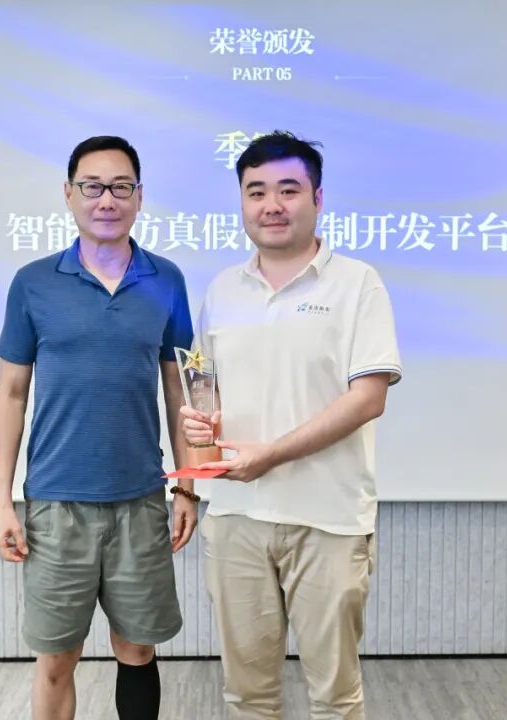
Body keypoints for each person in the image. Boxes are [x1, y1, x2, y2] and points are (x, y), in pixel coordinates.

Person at [181, 131, 402, 719]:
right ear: (242, 201)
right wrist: (199, 424)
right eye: (256, 192)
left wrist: (272, 454)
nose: (271, 205)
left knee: (335, 696)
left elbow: (368, 398)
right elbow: (206, 388)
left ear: (318, 198)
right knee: (247, 696)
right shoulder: (222, 290)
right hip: (236, 518)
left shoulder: (357, 283)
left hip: (328, 518)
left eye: (288, 190)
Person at [0, 135, 199, 720]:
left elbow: (180, 389)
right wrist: (1, 502)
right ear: (69, 194)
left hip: (141, 500)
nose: (107, 199)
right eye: (93, 186)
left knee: (138, 649)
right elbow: (11, 394)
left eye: (120, 187)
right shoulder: (33, 282)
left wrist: (187, 486)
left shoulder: (167, 280)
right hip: (57, 505)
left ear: (139, 196)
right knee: (57, 658)